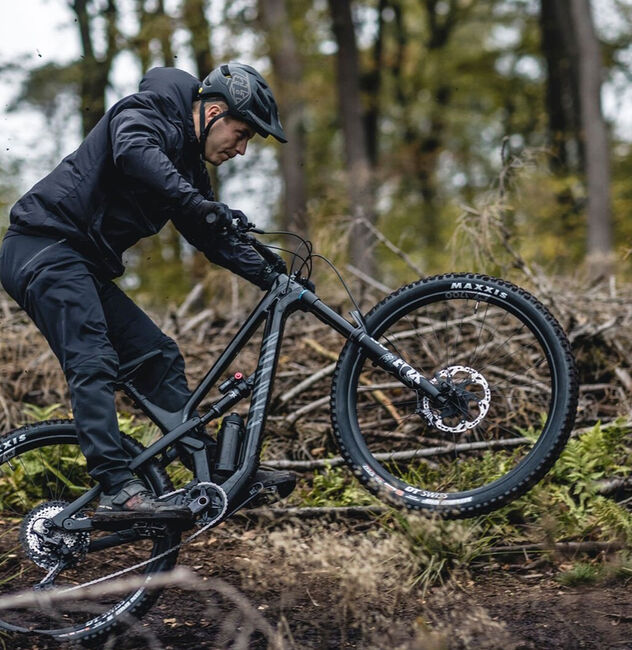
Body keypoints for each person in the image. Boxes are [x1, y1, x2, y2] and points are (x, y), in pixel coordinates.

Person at [0, 63, 290, 525]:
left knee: (157, 356)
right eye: (241, 134)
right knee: (93, 357)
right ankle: (116, 487)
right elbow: (133, 150)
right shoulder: (148, 110)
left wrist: (274, 276)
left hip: (76, 263)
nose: (241, 149)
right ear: (213, 112)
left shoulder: (190, 164)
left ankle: (213, 471)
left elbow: (209, 235)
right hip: (41, 248)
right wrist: (196, 201)